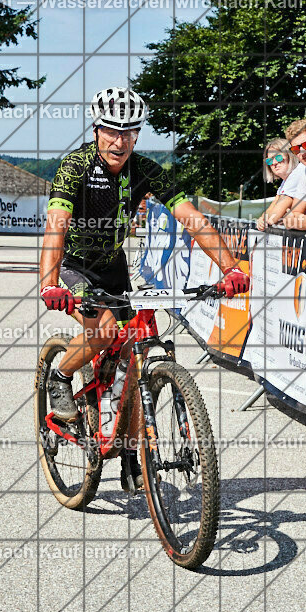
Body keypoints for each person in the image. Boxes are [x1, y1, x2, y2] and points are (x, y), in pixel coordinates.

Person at [39, 86, 250, 491]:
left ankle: (132, 449)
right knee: (103, 333)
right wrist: (51, 282)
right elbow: (56, 225)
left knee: (136, 350)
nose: (120, 141)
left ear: (137, 135)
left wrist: (230, 268)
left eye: (130, 132)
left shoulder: (146, 170)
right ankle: (60, 376)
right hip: (76, 267)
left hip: (114, 265)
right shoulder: (75, 167)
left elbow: (191, 218)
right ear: (97, 129)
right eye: (111, 132)